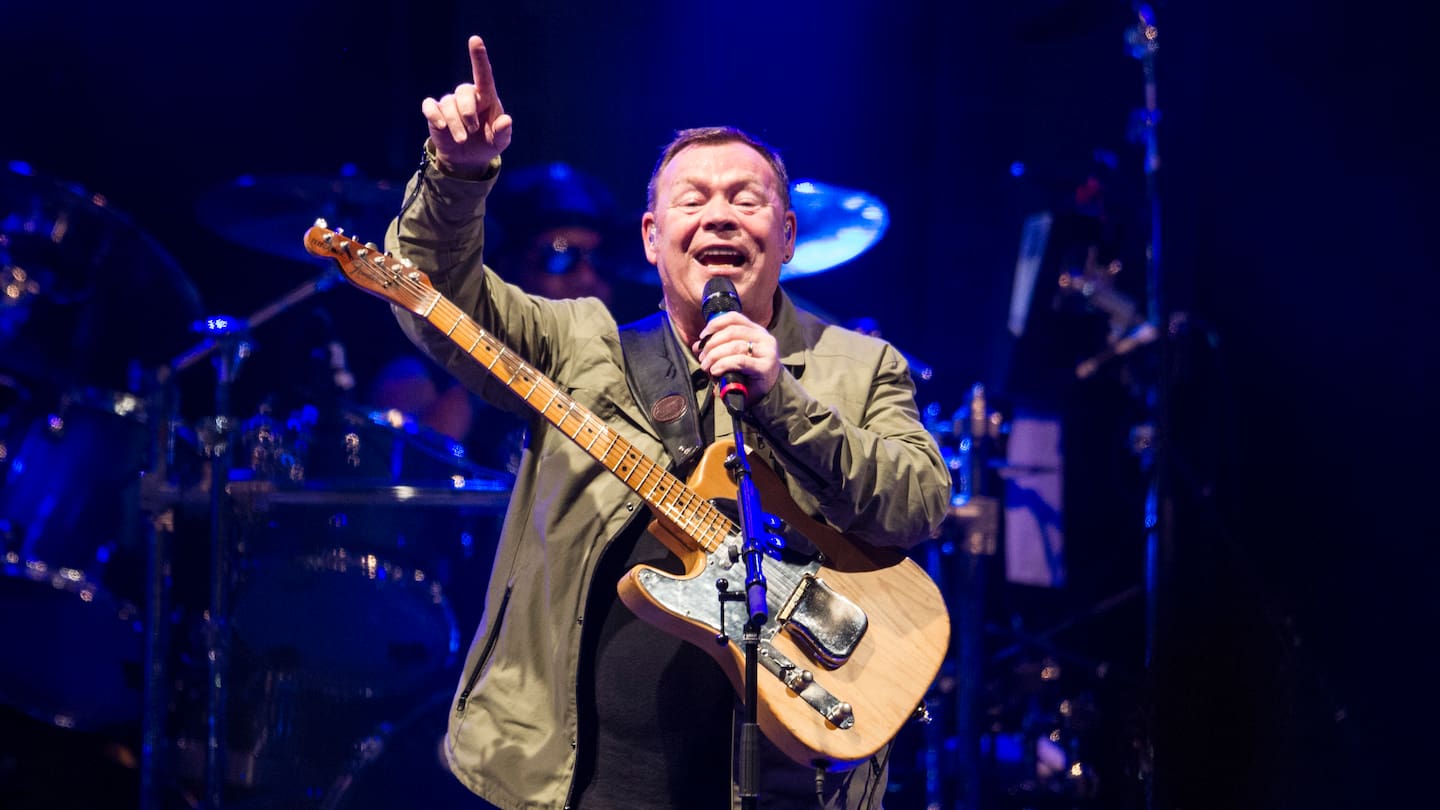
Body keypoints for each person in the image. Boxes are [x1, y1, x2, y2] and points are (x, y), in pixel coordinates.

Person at [385, 35, 952, 810]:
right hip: (590, 779)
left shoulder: (860, 365)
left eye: (745, 200)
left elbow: (919, 501)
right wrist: (457, 179)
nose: (719, 216)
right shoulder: (577, 346)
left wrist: (783, 397)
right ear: (653, 238)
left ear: (787, 236)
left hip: (795, 775)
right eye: (693, 200)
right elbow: (435, 301)